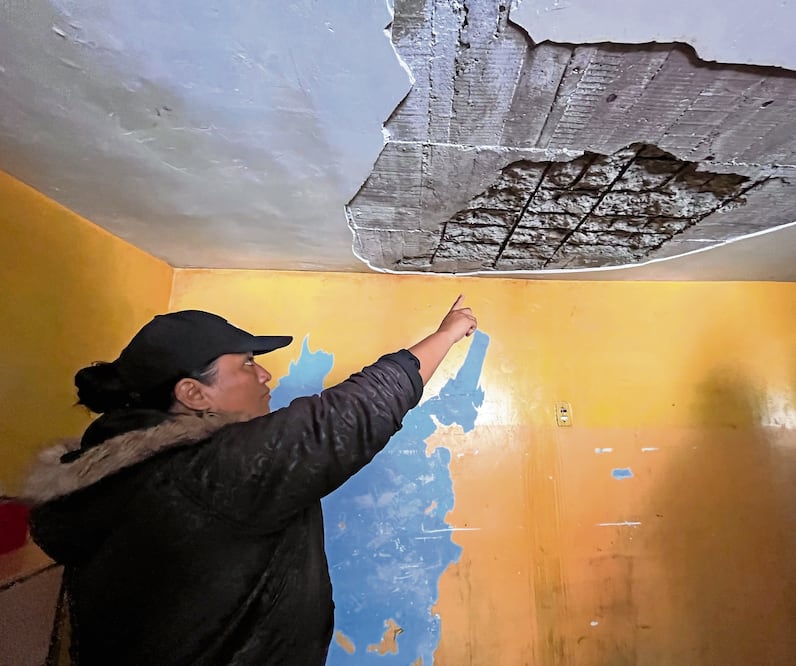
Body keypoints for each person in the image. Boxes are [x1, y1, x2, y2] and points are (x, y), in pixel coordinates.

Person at [24, 296, 477, 666]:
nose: (265, 374)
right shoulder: (201, 475)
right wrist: (447, 334)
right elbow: (345, 418)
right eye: (245, 364)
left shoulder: (126, 473)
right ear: (193, 393)